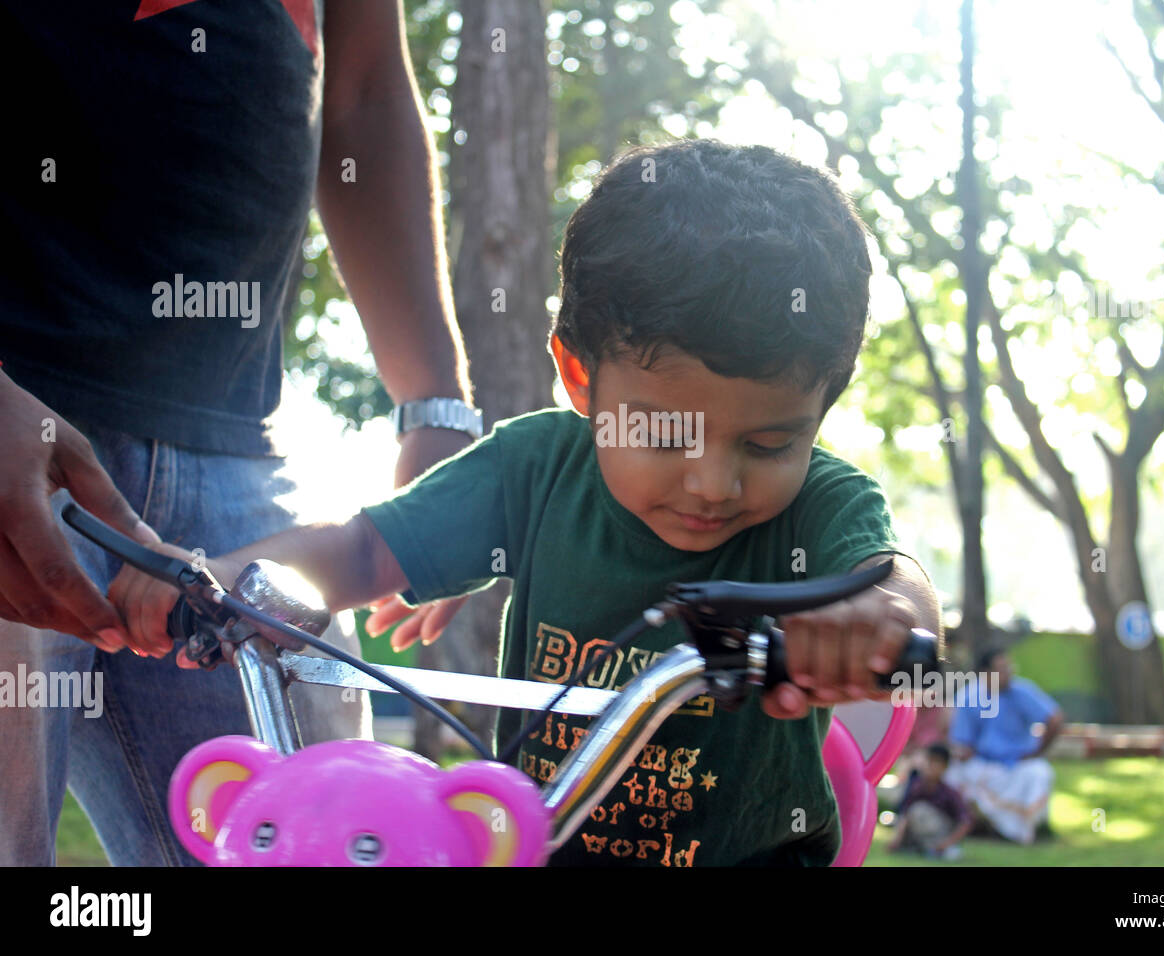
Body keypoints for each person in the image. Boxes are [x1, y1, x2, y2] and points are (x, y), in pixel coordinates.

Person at [111, 139, 943, 867]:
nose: (713, 484)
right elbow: (362, 554)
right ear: (580, 375)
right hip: (538, 845)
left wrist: (871, 620)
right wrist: (223, 573)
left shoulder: (823, 506)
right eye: (664, 435)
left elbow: (899, 589)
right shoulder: (533, 469)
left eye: (768, 446)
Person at [0, 1, 476, 866]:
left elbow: (363, 87)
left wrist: (435, 403)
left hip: (240, 464)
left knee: (337, 837)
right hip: (13, 421)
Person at [945, 647, 1064, 845]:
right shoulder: (969, 696)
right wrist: (963, 752)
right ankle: (971, 825)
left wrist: (1038, 751)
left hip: (1018, 764)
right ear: (984, 673)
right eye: (1001, 669)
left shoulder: (1022, 691)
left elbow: (1055, 719)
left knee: (1040, 773)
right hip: (982, 763)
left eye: (1009, 667)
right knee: (952, 774)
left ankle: (1021, 832)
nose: (1007, 673)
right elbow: (961, 741)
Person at [888, 743, 971, 860]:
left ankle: (940, 849)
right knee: (914, 812)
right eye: (928, 761)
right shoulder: (916, 787)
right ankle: (920, 848)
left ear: (945, 767)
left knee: (919, 810)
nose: (930, 766)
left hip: (941, 835)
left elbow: (965, 822)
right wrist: (897, 839)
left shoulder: (949, 792)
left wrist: (947, 843)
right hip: (919, 834)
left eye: (936, 762)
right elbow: (905, 814)